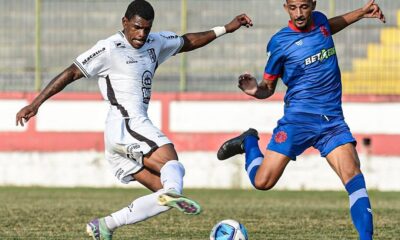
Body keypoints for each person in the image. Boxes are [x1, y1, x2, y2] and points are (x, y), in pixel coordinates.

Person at [15, 0, 253, 239]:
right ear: (125, 22)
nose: (141, 34)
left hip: (121, 135)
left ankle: (106, 225)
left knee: (162, 194)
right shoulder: (108, 48)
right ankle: (172, 191)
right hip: (126, 122)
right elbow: (71, 72)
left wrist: (225, 28)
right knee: (171, 161)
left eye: (146, 29)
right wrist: (35, 104)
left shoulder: (155, 42)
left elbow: (186, 41)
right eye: (136, 27)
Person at [217, 0, 385, 239]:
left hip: (332, 122)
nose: (299, 13)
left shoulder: (321, 22)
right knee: (262, 182)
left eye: (304, 7)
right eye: (293, 7)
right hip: (298, 120)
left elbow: (329, 26)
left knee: (354, 177)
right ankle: (249, 142)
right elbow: (268, 87)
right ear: (286, 7)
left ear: (313, 5)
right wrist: (255, 90)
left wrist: (361, 12)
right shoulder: (279, 43)